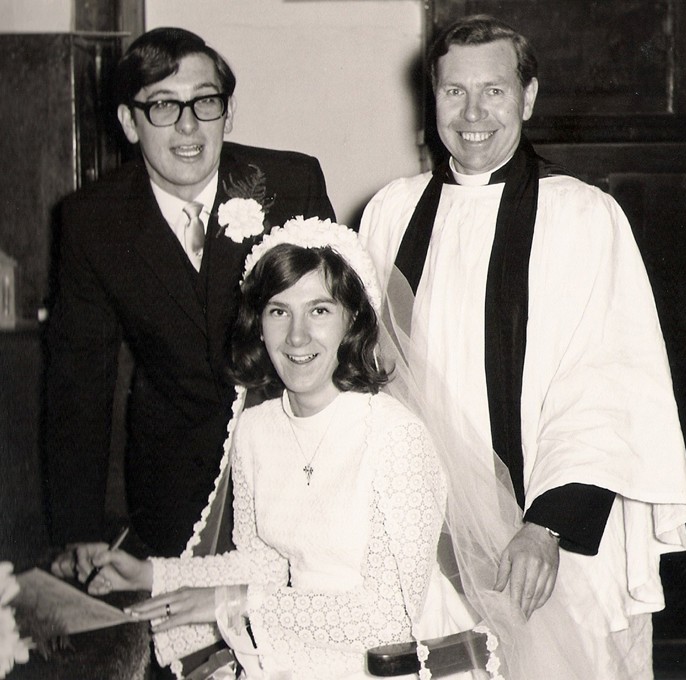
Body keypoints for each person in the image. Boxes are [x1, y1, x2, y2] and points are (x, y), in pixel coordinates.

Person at [359, 13, 686, 679]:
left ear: (529, 97)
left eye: (494, 91)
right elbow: (369, 375)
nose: (473, 112)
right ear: (432, 101)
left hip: (548, 540)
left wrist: (543, 529)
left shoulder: (581, 216)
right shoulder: (391, 212)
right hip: (424, 535)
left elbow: (606, 386)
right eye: (454, 92)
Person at [51, 217, 490, 680]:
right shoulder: (255, 431)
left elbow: (388, 617)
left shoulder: (395, 437)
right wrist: (150, 576)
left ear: (353, 320)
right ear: (258, 326)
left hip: (394, 662)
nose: (297, 336)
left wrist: (234, 604)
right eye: (279, 311)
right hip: (295, 646)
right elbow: (261, 564)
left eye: (319, 310)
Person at [44, 27, 335, 557]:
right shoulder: (92, 221)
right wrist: (77, 531)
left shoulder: (292, 183)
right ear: (129, 123)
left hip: (300, 460)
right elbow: (78, 384)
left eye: (205, 102)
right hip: (173, 478)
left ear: (228, 112)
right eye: (162, 106)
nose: (188, 126)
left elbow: (336, 334)